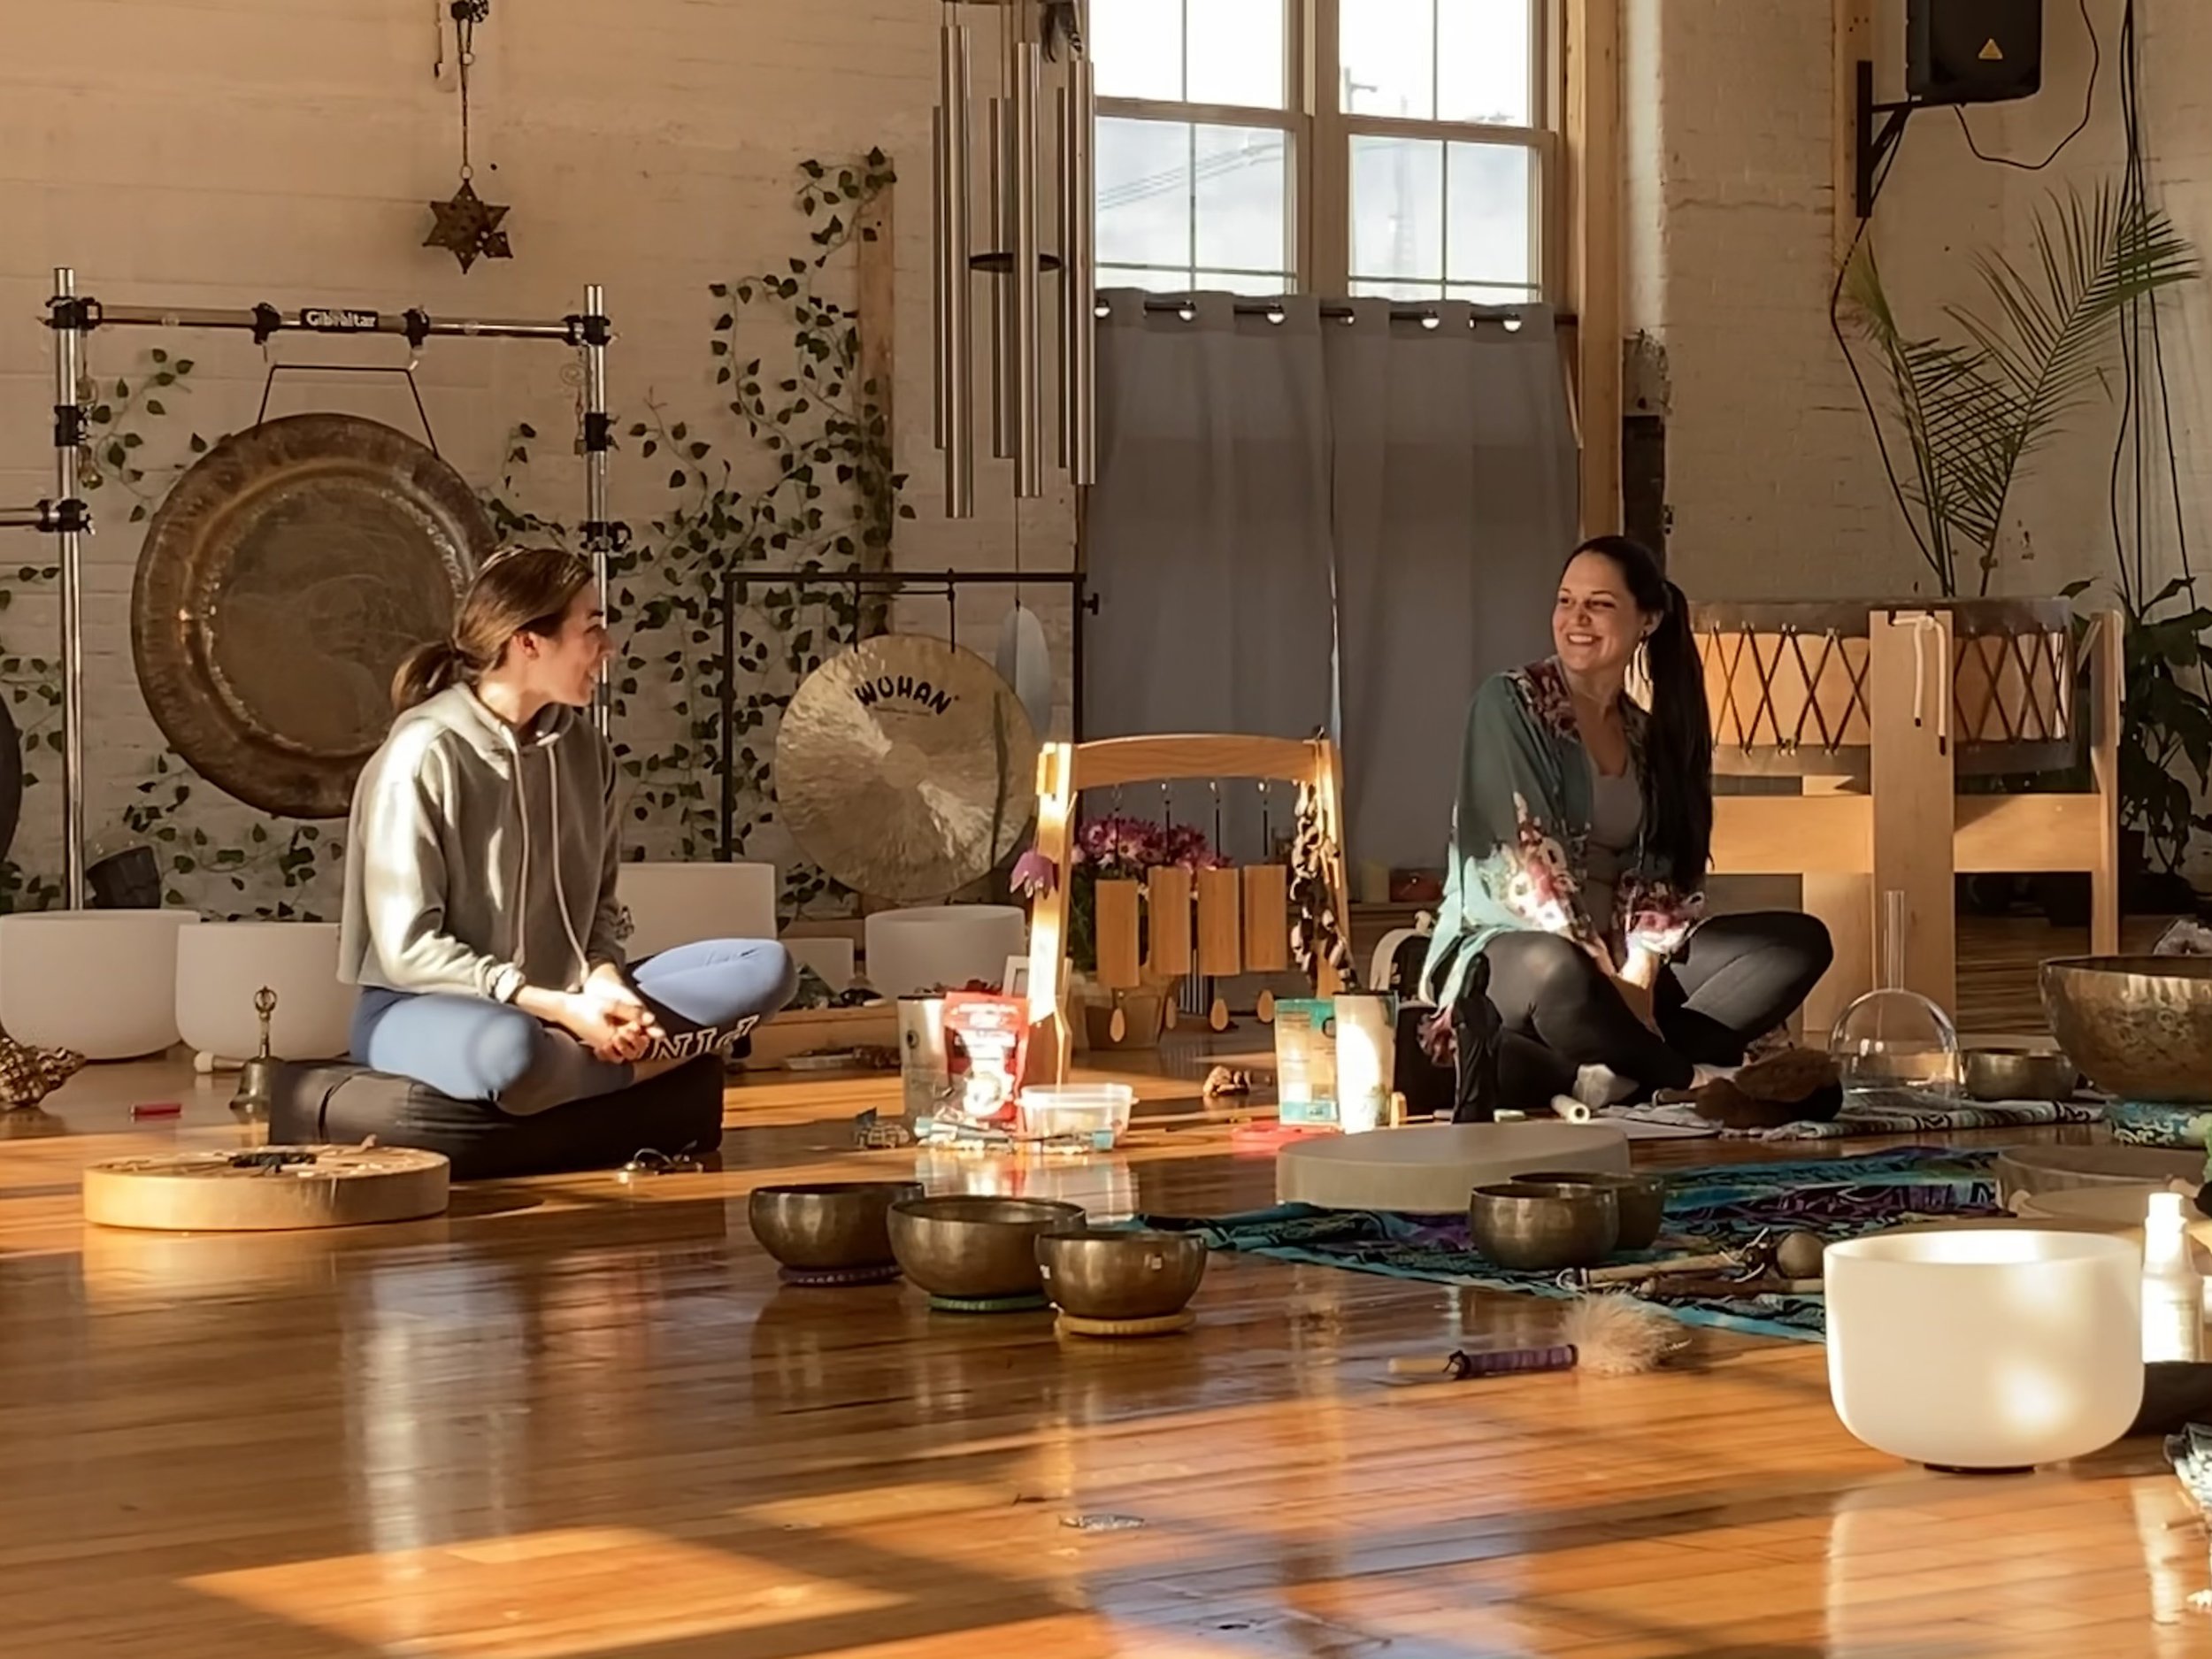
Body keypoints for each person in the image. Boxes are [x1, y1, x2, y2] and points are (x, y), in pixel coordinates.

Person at [337, 545, 797, 1114]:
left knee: (766, 968)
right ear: (528, 641)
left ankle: (585, 1063)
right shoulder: (423, 754)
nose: (610, 647)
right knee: (513, 1051)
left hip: (569, 1001)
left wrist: (604, 982)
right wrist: (553, 1007)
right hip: (423, 1007)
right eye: (593, 627)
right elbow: (407, 950)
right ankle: (623, 1062)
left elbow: (601, 906)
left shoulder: (585, 750)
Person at [1422, 535, 1832, 1109]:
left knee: (1796, 943)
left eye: (1600, 603)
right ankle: (1686, 1079)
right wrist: (1603, 980)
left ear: (1648, 620)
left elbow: (1663, 866)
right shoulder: (1510, 703)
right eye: (1566, 601)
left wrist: (1639, 971)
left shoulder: (1643, 733)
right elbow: (1530, 863)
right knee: (1556, 969)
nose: (1576, 618)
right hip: (1519, 957)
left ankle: (1595, 1068)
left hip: (1620, 971)